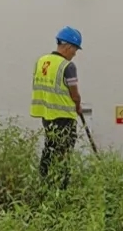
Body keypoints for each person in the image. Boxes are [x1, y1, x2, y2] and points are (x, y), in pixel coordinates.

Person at [30, 26, 85, 188]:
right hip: (64, 116)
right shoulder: (68, 66)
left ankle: (43, 179)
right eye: (75, 49)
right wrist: (78, 105)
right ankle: (62, 187)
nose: (75, 54)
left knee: (49, 146)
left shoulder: (41, 61)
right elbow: (74, 94)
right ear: (68, 46)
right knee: (65, 152)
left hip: (45, 114)